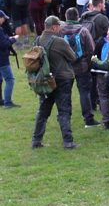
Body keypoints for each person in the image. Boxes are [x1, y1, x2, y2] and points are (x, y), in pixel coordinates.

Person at [30, 16, 80, 150]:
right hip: (62, 79)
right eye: (59, 26)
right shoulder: (59, 41)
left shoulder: (37, 40)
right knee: (64, 111)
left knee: (43, 111)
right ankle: (68, 142)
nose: (60, 29)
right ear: (54, 27)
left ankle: (36, 141)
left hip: (45, 80)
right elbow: (73, 57)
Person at [60, 8, 99, 128]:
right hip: (82, 67)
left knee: (65, 94)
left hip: (65, 68)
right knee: (84, 93)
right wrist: (87, 63)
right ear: (78, 17)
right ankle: (88, 119)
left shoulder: (60, 31)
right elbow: (91, 49)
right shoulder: (83, 30)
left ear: (66, 17)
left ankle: (65, 119)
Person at [0, 9, 17, 108]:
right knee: (9, 79)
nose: (4, 20)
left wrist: (7, 38)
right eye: (3, 18)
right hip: (2, 59)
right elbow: (3, 45)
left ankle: (0, 100)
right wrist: (13, 39)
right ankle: (8, 102)